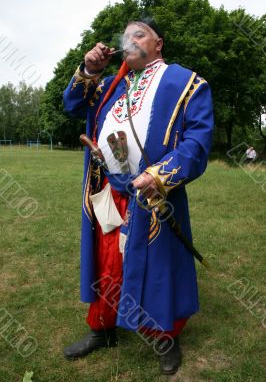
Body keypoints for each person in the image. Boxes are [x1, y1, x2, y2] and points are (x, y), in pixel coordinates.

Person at [63, 18, 214, 375]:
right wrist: (89, 68)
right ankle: (102, 329)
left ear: (158, 43)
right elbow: (71, 105)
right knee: (107, 263)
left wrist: (159, 175)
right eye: (126, 36)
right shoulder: (112, 85)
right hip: (108, 190)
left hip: (153, 194)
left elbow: (197, 142)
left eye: (139, 34)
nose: (129, 41)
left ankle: (164, 336)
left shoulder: (186, 83)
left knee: (158, 267)